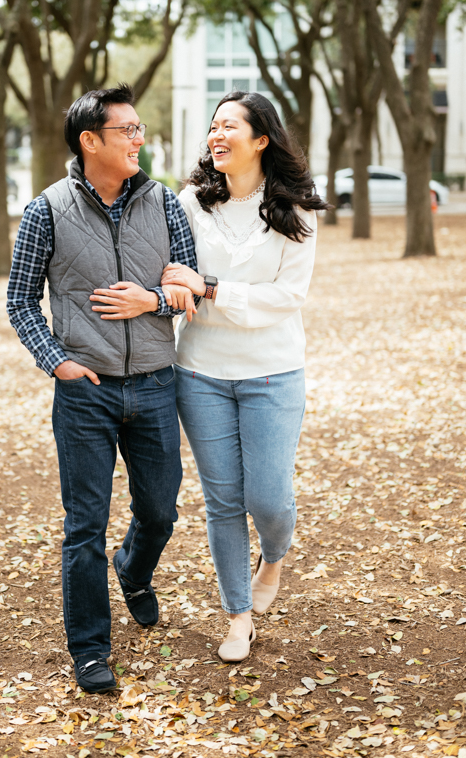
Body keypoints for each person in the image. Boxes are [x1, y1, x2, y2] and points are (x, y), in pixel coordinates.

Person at [7, 84, 198, 693]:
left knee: (160, 512)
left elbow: (189, 289)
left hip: (155, 384)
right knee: (83, 525)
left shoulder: (165, 203)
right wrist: (55, 360)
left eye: (140, 129)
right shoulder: (46, 209)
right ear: (90, 141)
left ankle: (135, 571)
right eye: (128, 131)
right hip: (85, 391)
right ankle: (90, 651)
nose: (139, 140)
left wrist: (156, 299)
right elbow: (20, 300)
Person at [161, 91, 328, 662]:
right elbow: (168, 274)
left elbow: (288, 296)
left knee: (269, 498)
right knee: (223, 501)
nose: (216, 134)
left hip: (273, 372)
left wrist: (209, 288)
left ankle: (275, 555)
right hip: (200, 371)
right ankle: (237, 615)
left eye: (229, 125)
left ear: (261, 139)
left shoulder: (295, 208)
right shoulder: (189, 203)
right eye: (213, 126)